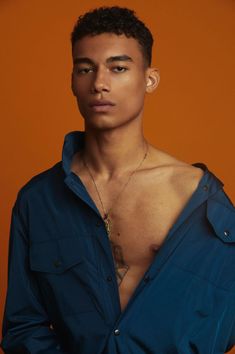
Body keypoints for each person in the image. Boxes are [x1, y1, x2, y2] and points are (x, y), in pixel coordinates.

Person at [1, 6, 235, 354]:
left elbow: (221, 323)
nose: (99, 83)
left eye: (118, 68)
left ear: (149, 79)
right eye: (85, 69)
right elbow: (23, 327)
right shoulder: (38, 200)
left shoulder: (195, 197)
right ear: (72, 81)